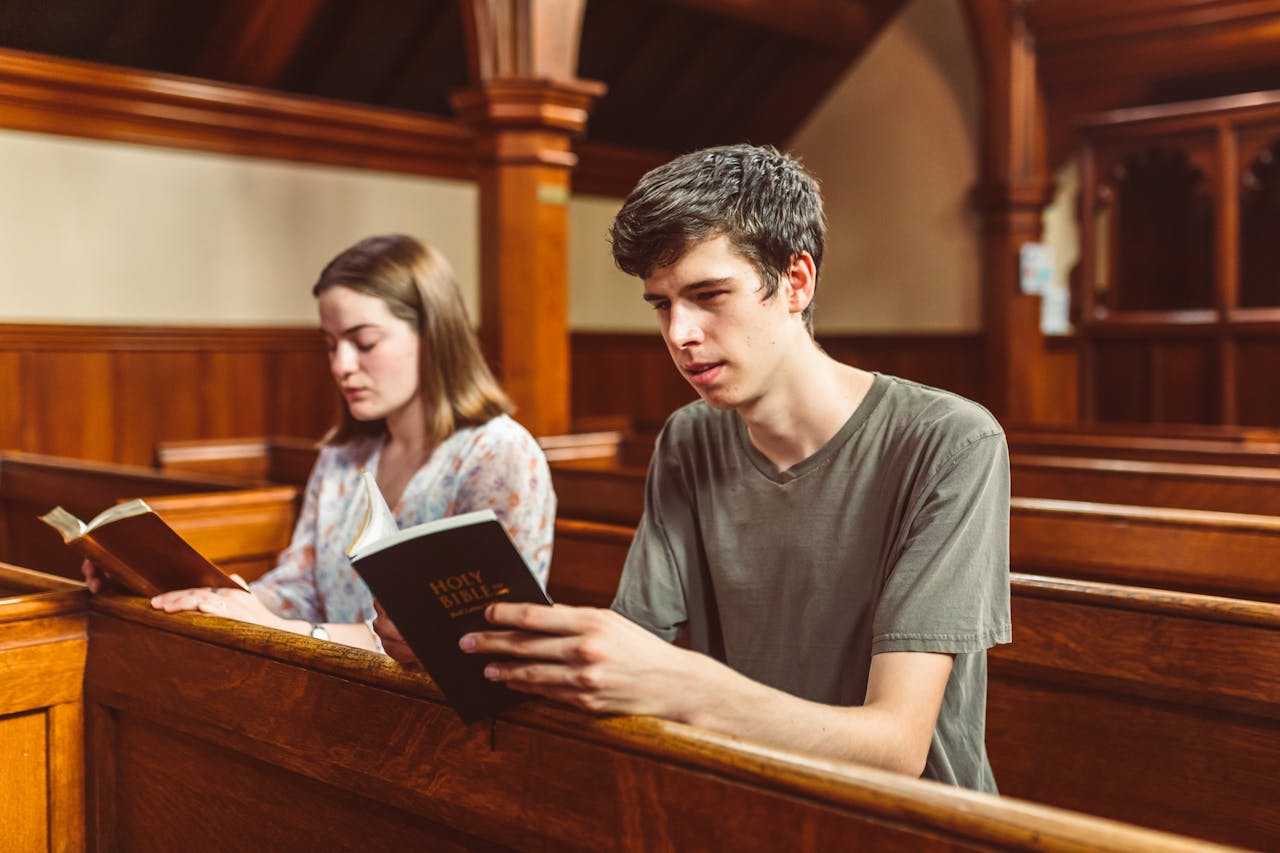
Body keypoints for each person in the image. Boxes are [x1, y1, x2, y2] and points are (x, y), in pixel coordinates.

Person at [458, 144, 1011, 791]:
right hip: (748, 804)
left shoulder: (951, 441)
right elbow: (628, 656)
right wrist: (480, 653)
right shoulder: (690, 438)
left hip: (916, 825)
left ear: (796, 282)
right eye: (661, 304)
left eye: (707, 294)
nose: (680, 332)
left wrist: (679, 682)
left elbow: (895, 746)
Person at [90, 234, 555, 654]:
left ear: (434, 337)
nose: (340, 365)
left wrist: (285, 630)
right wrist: (196, 593)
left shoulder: (498, 455)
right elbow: (301, 587)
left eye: (364, 342)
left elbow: (469, 638)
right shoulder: (342, 456)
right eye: (331, 344)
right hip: (328, 684)